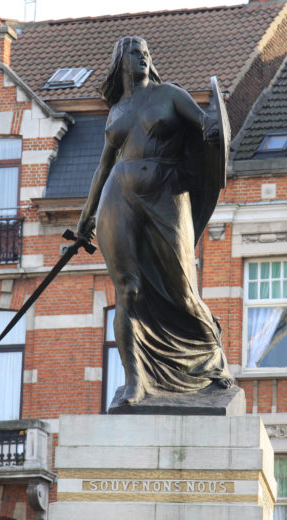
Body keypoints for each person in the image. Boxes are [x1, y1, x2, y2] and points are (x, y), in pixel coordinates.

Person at [77, 36, 234, 406]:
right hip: (120, 194)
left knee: (182, 290)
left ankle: (212, 361)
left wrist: (213, 128)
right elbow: (104, 166)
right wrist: (85, 217)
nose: (143, 58)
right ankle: (136, 382)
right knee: (128, 290)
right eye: (135, 53)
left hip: (167, 193)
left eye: (147, 53)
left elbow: (206, 125)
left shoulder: (169, 94)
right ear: (120, 61)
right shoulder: (116, 110)